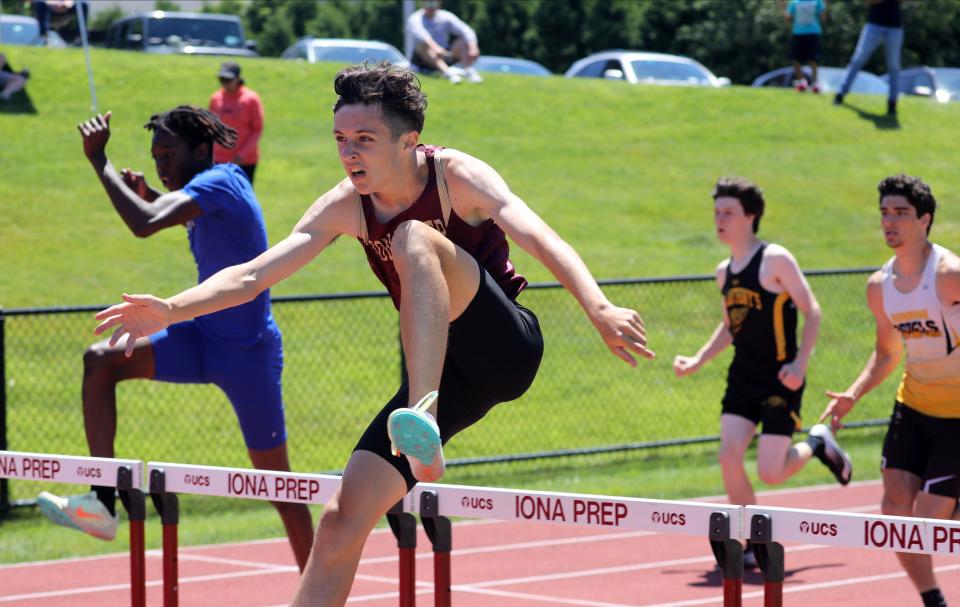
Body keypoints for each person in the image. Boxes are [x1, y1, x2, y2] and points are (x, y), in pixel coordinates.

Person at [91, 62, 654, 605]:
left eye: (364, 139)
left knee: (414, 238)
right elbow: (255, 272)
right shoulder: (347, 204)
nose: (349, 153)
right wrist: (171, 308)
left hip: (505, 345)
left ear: (408, 141)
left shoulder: (456, 175)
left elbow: (541, 237)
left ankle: (423, 416)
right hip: (451, 376)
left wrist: (598, 307)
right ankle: (421, 426)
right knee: (341, 518)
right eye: (340, 138)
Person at [36, 106, 313, 572]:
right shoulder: (202, 193)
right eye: (155, 156)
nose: (162, 165)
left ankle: (319, 592)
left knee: (277, 485)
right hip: (201, 338)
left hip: (248, 354)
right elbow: (162, 212)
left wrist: (99, 161)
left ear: (202, 150)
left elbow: (144, 223)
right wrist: (147, 194)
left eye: (169, 154)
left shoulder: (222, 182)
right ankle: (103, 503)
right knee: (100, 361)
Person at [673, 177, 852, 568]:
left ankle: (818, 444)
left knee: (771, 472)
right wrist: (698, 359)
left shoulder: (775, 260)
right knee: (728, 456)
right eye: (716, 212)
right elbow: (728, 326)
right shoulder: (724, 272)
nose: (719, 220)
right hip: (743, 376)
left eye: (728, 213)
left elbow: (813, 310)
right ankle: (753, 540)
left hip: (779, 377)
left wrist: (800, 364)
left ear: (750, 216)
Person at [820, 175, 958, 607]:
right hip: (913, 408)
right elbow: (885, 354)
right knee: (896, 512)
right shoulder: (879, 287)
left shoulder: (949, 277)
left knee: (930, 523)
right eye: (884, 212)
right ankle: (932, 600)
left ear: (925, 220)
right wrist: (853, 394)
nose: (889, 221)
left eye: (900, 212)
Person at [834, 0, 904, 115]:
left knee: (894, 65)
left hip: (894, 27)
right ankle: (840, 94)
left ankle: (892, 103)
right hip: (874, 25)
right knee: (858, 59)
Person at [209, 62, 264, 186]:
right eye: (222, 79)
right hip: (219, 159)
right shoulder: (216, 98)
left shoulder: (250, 99)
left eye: (228, 80)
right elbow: (211, 127)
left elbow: (257, 129)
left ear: (238, 79)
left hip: (245, 161)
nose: (225, 83)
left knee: (241, 197)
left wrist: (241, 156)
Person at [406, 0, 482, 84]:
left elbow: (465, 30)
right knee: (423, 45)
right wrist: (436, 48)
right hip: (423, 59)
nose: (431, 6)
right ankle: (449, 74)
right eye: (428, 3)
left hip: (443, 54)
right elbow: (422, 35)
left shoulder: (446, 16)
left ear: (439, 4)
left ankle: (468, 71)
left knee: (463, 41)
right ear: (423, 4)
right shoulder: (415, 18)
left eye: (433, 3)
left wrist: (473, 47)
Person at [785, 0, 827, 93]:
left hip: (813, 33)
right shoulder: (794, 2)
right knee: (795, 59)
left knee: (813, 60)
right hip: (798, 33)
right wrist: (782, 6)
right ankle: (802, 82)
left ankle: (815, 84)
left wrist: (824, 6)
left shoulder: (817, 2)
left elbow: (823, 17)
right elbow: (788, 18)